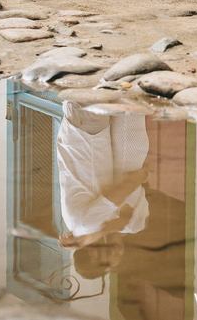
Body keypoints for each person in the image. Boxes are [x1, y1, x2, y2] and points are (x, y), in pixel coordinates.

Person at [56, 102, 150, 279]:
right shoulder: (84, 228)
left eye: (106, 262)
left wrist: (141, 176)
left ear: (92, 256)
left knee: (92, 86)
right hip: (89, 134)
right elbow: (119, 220)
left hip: (86, 133)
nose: (115, 257)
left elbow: (122, 192)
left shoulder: (86, 226)